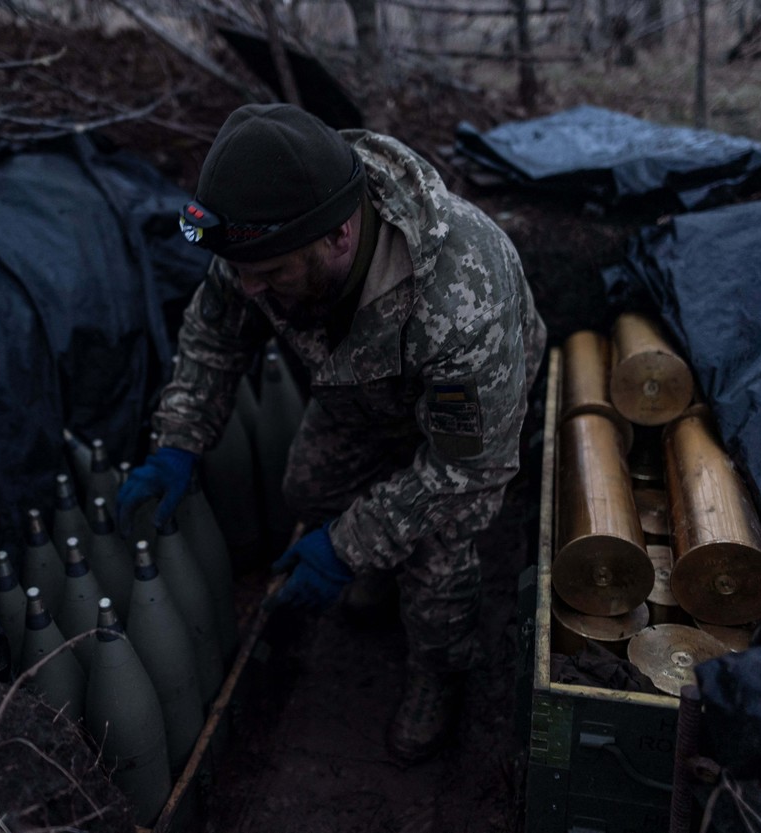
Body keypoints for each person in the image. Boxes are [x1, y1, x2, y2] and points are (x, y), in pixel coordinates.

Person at [118, 103, 546, 764]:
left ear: (339, 237)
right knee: (308, 484)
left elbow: (468, 468)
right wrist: (179, 439)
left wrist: (349, 545)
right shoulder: (261, 248)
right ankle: (374, 568)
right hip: (366, 394)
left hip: (468, 429)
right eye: (243, 271)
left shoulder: (462, 290)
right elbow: (214, 333)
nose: (252, 288)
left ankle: (440, 676)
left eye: (272, 275)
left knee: (436, 563)